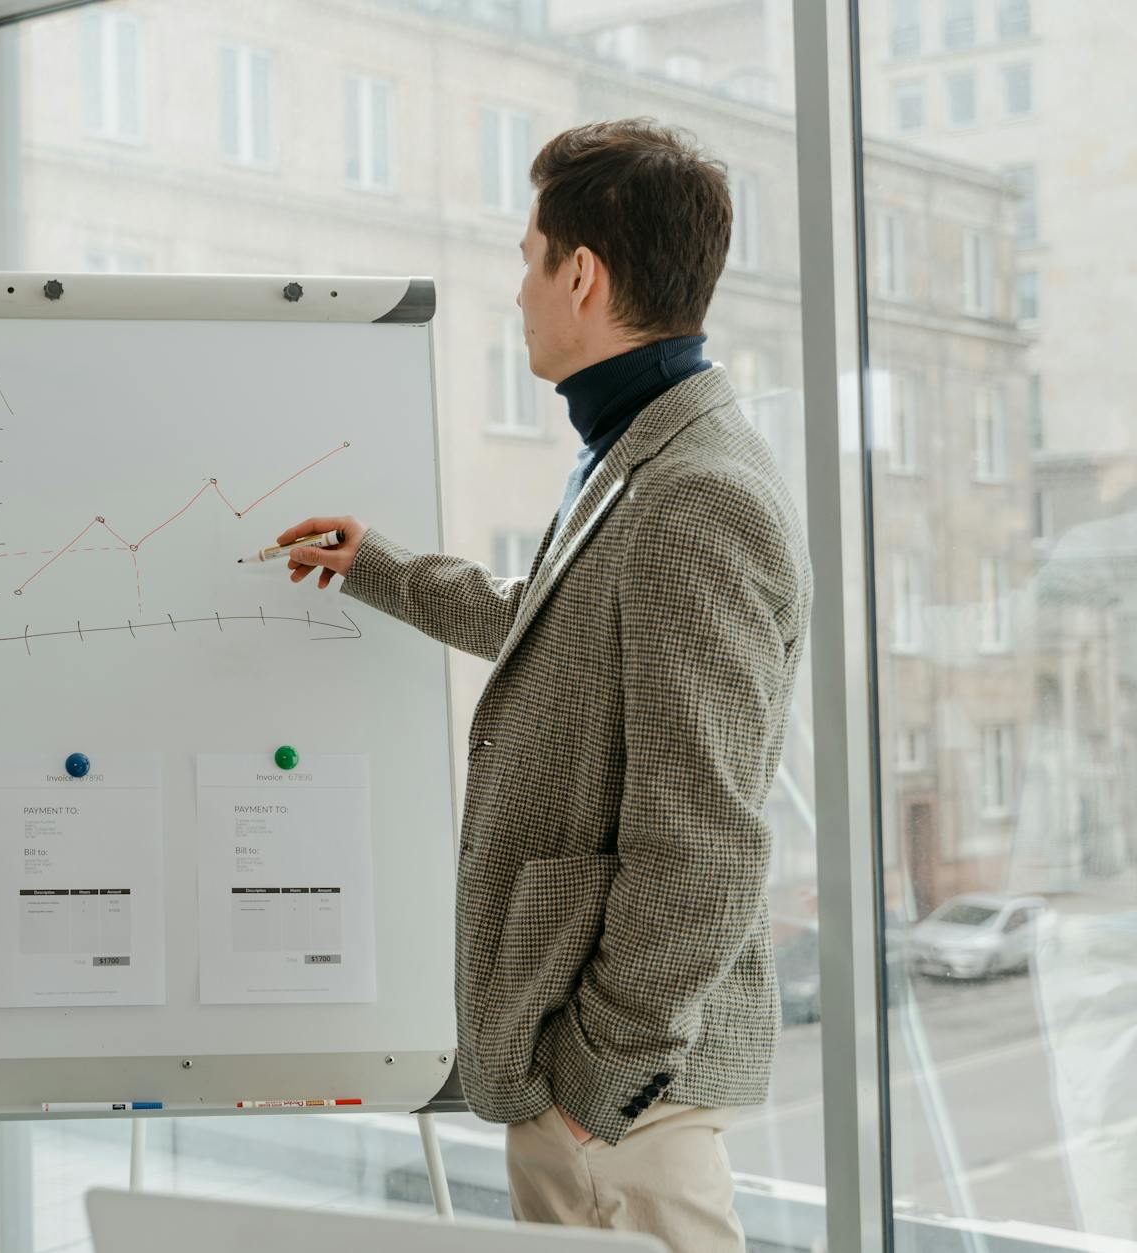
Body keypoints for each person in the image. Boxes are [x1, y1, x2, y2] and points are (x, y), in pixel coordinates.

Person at [278, 119, 812, 1250]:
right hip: (605, 1095)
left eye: (527, 262)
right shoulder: (638, 450)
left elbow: (704, 841)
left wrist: (595, 1080)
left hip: (625, 1107)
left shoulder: (692, 493)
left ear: (581, 272)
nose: (516, 292)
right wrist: (378, 565)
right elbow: (557, 625)